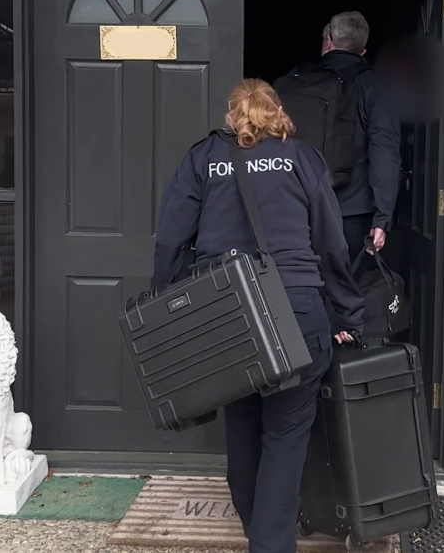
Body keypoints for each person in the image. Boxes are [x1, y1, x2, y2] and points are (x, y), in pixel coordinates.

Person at [152, 79, 365, 553]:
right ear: (278, 112)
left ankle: (256, 527)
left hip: (227, 312)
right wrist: (349, 311)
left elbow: (170, 239)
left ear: (233, 115)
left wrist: (166, 305)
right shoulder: (302, 157)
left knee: (242, 420)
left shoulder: (205, 157)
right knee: (286, 435)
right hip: (297, 308)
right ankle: (270, 543)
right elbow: (331, 244)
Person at [312, 12, 402, 263]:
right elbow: (384, 150)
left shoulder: (298, 79)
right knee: (349, 290)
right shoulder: (377, 85)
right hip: (353, 214)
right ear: (363, 50)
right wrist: (382, 217)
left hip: (300, 210)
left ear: (328, 41)